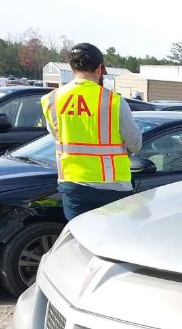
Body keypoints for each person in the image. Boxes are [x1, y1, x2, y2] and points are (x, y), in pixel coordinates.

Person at [41, 43, 142, 220]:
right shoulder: (113, 101)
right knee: (112, 242)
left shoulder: (51, 99)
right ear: (99, 68)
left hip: (73, 185)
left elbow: (56, 135)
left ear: (72, 67)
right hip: (113, 187)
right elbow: (135, 145)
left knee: (80, 241)